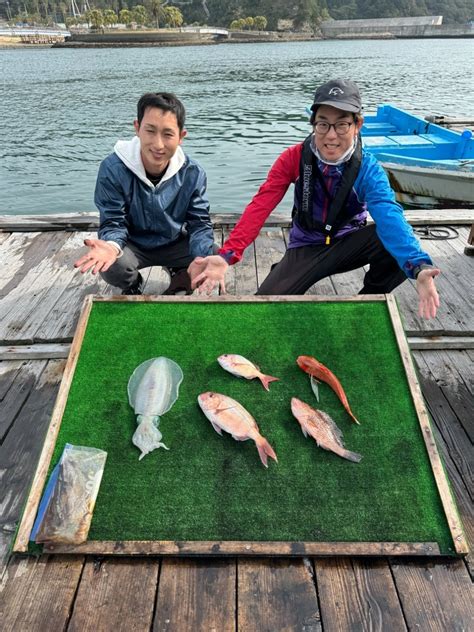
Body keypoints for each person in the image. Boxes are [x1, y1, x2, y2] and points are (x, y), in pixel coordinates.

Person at [188, 79, 440, 319]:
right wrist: (227, 255)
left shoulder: (368, 170)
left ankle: (368, 300)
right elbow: (261, 205)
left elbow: (389, 215)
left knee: (393, 245)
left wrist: (418, 267)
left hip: (347, 242)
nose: (331, 136)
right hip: (306, 245)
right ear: (313, 124)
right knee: (265, 307)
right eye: (323, 124)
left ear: (358, 124)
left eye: (342, 124)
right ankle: (287, 270)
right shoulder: (293, 158)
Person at [74, 92, 215, 295]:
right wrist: (111, 246)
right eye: (150, 131)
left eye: (168, 134)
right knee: (112, 265)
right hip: (132, 245)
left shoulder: (193, 172)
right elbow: (113, 220)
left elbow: (199, 223)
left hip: (176, 243)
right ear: (137, 128)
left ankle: (181, 271)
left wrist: (203, 258)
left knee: (213, 256)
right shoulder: (113, 168)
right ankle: (132, 283)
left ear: (181, 136)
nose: (158, 144)